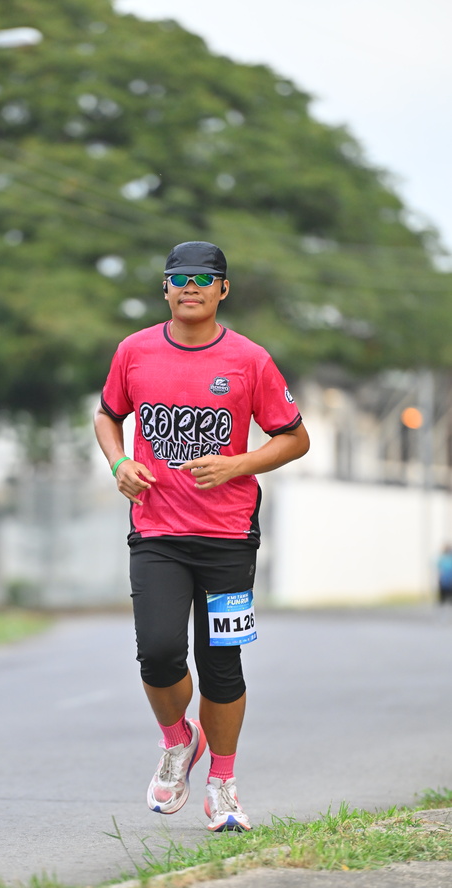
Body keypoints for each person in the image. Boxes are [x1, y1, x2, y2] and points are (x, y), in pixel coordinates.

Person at [94, 240, 310, 832]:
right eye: (179, 277)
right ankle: (177, 740)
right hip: (156, 531)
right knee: (158, 651)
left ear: (223, 289)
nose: (190, 287)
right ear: (165, 288)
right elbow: (108, 415)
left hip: (229, 537)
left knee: (221, 663)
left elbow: (295, 438)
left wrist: (237, 464)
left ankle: (223, 784)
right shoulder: (134, 351)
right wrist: (119, 463)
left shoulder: (250, 360)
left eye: (203, 278)